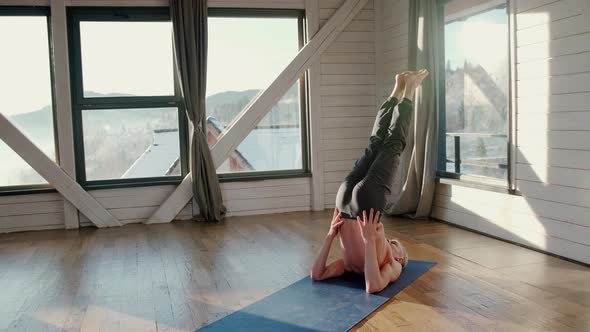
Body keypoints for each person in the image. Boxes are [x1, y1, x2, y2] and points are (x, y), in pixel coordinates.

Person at [310, 69, 429, 293]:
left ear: (400, 259)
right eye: (397, 246)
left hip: (355, 208)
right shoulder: (386, 264)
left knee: (391, 143)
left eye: (396, 247)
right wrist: (368, 241)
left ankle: (409, 87)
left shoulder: (392, 266)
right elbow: (322, 275)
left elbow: (369, 286)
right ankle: (399, 87)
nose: (394, 244)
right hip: (347, 204)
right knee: (377, 143)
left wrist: (331, 235)